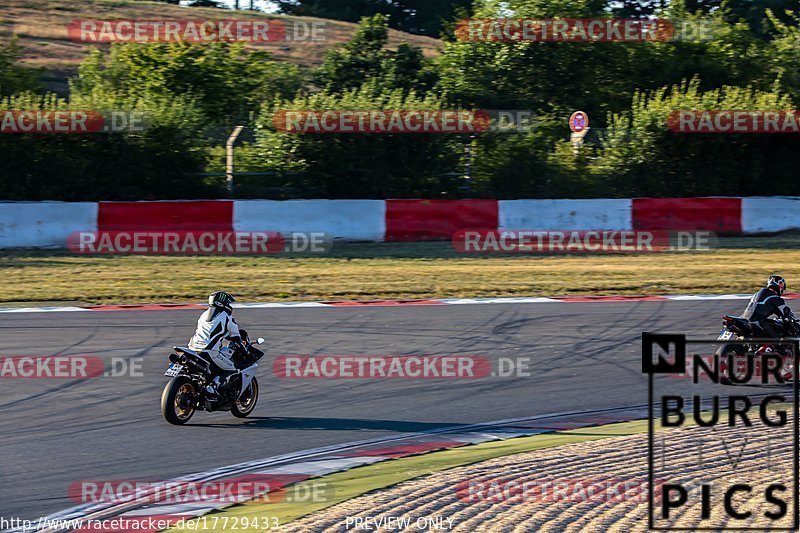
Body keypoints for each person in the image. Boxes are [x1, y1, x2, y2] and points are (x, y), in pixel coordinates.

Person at [188, 291, 246, 399]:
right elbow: (236, 336)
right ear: (222, 303)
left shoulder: (203, 315)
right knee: (231, 368)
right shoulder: (226, 317)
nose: (229, 306)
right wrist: (244, 349)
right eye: (228, 303)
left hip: (192, 349)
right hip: (209, 352)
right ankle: (212, 386)